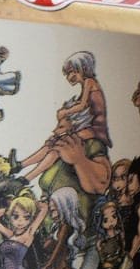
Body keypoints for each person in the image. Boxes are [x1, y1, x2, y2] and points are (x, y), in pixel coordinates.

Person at [19, 51, 111, 182]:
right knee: (53, 143)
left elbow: (82, 106)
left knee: (59, 146)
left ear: (83, 68)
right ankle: (20, 166)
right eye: (67, 73)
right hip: (87, 127)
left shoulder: (89, 82)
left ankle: (26, 178)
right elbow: (82, 106)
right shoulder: (87, 85)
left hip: (95, 129)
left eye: (72, 72)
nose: (69, 77)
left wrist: (65, 112)